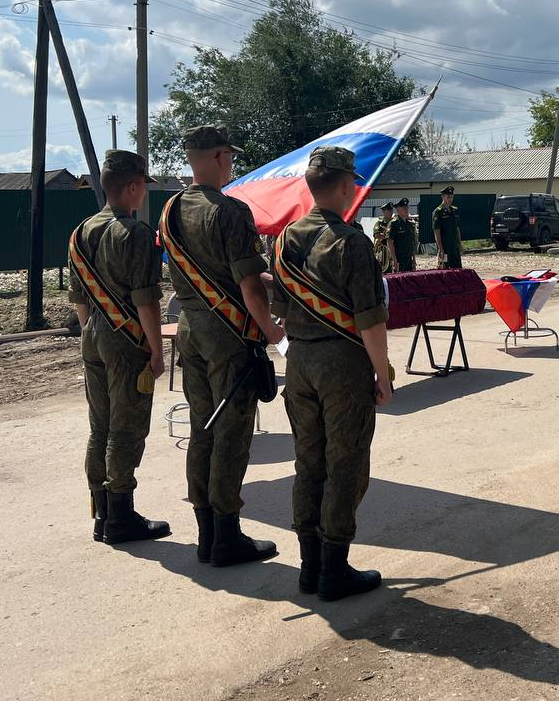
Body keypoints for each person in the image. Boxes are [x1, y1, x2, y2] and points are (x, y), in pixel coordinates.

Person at [271, 146, 394, 601]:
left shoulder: (284, 240)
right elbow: (369, 318)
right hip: (342, 364)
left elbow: (280, 308)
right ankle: (334, 569)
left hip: (299, 361)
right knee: (345, 464)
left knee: (309, 462)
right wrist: (381, 374)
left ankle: (309, 566)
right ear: (345, 186)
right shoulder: (352, 241)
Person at [161, 125, 286, 567]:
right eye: (229, 156)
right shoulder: (230, 211)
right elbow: (249, 283)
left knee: (202, 430)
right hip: (228, 333)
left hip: (189, 327)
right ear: (216, 157)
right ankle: (228, 537)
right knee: (231, 434)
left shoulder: (171, 208)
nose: (232, 163)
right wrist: (270, 328)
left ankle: (206, 535)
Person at [67, 149, 170, 546]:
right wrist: (156, 350)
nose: (144, 192)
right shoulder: (135, 233)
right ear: (131, 186)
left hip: (92, 332)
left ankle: (102, 513)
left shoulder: (81, 231)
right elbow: (146, 298)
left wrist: (92, 332)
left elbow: (79, 296)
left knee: (100, 427)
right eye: (143, 184)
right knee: (126, 429)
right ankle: (122, 518)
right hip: (126, 339)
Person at [432, 185, 463, 269]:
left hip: (454, 246)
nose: (450, 199)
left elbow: (457, 229)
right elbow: (436, 231)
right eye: (448, 197)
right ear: (442, 197)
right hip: (445, 247)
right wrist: (440, 248)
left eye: (452, 197)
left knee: (458, 269)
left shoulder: (454, 210)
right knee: (445, 269)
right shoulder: (438, 212)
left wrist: (460, 244)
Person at [388, 197, 417, 272]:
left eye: (407, 207)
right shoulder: (394, 223)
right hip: (399, 259)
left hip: (408, 259)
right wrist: (394, 259)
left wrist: (414, 258)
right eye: (403, 207)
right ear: (397, 209)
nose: (406, 209)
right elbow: (390, 242)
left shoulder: (410, 224)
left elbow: (412, 242)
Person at [373, 201, 394, 274]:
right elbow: (377, 235)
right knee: (383, 272)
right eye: (389, 210)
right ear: (383, 212)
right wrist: (388, 235)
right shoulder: (379, 223)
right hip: (383, 251)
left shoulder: (394, 222)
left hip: (394, 251)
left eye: (391, 210)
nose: (391, 212)